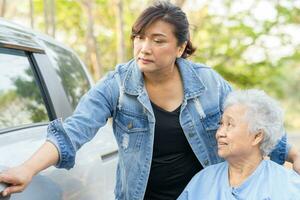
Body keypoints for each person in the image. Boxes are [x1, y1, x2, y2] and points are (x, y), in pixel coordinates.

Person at [0, 1, 299, 200]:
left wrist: (293, 153)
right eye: (139, 37)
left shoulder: (207, 82)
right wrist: (27, 168)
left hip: (201, 193)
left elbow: (250, 123)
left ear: (180, 48)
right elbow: (73, 131)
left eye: (158, 40)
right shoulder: (116, 85)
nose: (144, 48)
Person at [178, 89, 300, 200]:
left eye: (229, 124)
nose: (219, 133)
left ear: (257, 136)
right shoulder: (203, 180)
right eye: (221, 123)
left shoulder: (288, 185)